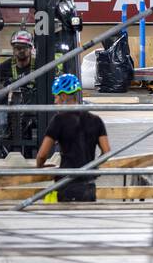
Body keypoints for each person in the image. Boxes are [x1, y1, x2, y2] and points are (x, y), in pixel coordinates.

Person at [35, 73, 111, 203]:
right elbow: (107, 152)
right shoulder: (96, 120)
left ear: (64, 96)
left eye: (56, 97)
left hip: (66, 185)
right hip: (88, 186)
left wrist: (40, 165)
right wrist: (93, 167)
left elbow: (42, 154)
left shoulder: (58, 120)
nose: (55, 102)